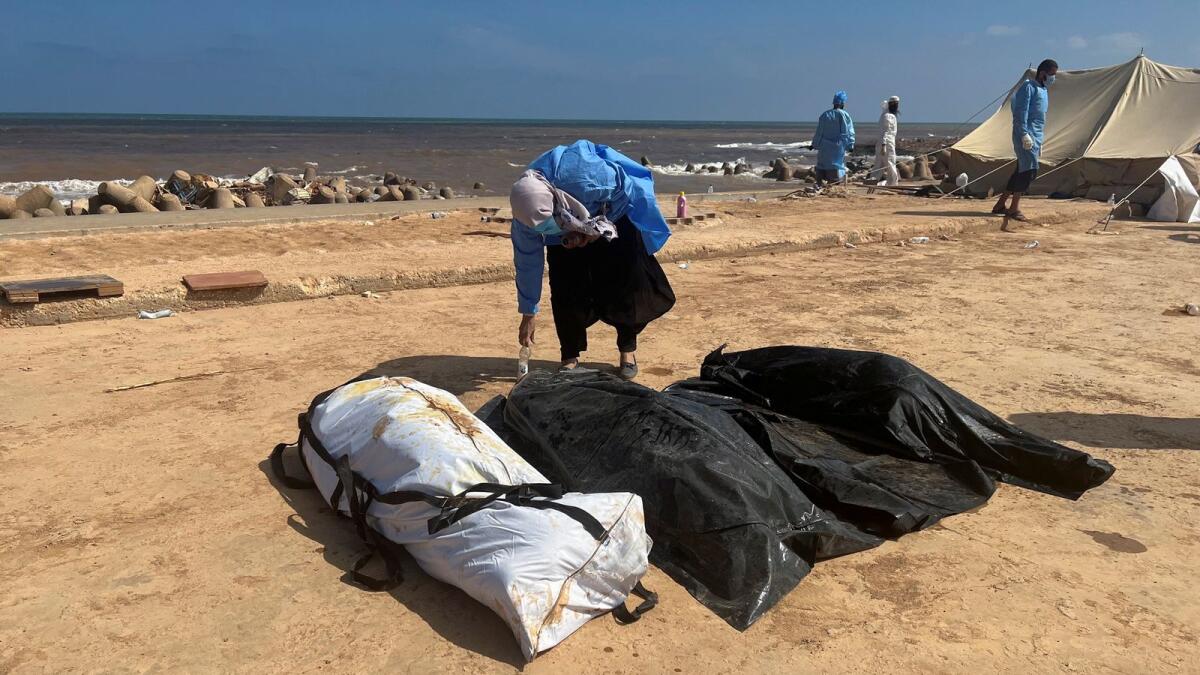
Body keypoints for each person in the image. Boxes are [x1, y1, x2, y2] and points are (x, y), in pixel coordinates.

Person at [510, 140, 675, 380]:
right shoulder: (526, 215)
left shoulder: (590, 178)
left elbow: (629, 191)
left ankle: (627, 351)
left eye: (549, 224)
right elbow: (527, 262)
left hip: (614, 212)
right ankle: (569, 357)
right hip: (567, 218)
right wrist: (528, 312)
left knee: (625, 283)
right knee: (565, 287)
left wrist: (593, 230)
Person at [993, 59, 1058, 228]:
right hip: (1026, 135)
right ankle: (1014, 208)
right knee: (1028, 171)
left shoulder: (1043, 90)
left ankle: (1000, 204)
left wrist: (1039, 140)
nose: (1053, 78)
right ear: (1043, 73)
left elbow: (1040, 118)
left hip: (1036, 136)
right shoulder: (1028, 87)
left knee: (1020, 169)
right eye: (1051, 75)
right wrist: (1024, 134)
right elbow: (1021, 113)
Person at [812, 90, 856, 187]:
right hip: (837, 148)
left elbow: (819, 132)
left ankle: (819, 185)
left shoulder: (824, 115)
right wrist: (850, 145)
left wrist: (814, 144)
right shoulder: (844, 115)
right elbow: (848, 132)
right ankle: (833, 186)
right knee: (835, 167)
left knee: (822, 166)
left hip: (824, 148)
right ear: (842, 103)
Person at [871, 96, 900, 186]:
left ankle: (873, 180)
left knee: (879, 164)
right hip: (887, 144)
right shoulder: (889, 116)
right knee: (891, 163)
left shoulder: (885, 115)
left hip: (883, 143)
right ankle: (893, 183)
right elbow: (886, 131)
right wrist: (884, 145)